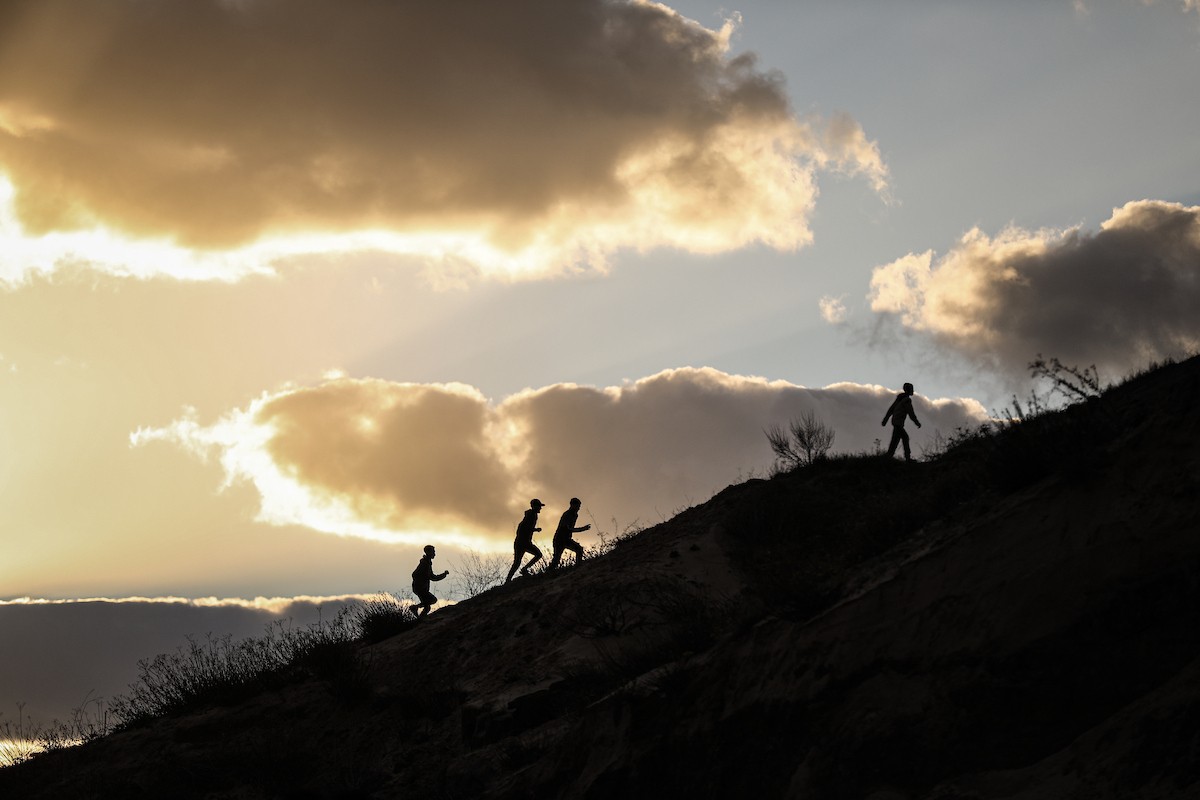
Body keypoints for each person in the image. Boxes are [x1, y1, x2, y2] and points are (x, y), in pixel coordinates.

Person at [505, 499, 546, 583]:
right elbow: (523, 527)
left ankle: (520, 572)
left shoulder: (533, 515)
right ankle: (510, 578)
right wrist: (535, 529)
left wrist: (533, 530)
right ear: (534, 506)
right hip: (522, 542)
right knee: (518, 562)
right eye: (539, 506)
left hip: (525, 542)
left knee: (518, 562)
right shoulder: (531, 515)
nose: (540, 508)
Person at [882, 382, 922, 462]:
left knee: (895, 441)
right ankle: (907, 458)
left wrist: (885, 419)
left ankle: (888, 457)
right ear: (909, 390)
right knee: (904, 438)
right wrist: (917, 422)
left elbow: (891, 409)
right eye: (911, 389)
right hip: (898, 424)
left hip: (896, 423)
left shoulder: (899, 399)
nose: (913, 390)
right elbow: (911, 413)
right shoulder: (906, 400)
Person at [548, 497, 591, 570]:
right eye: (577, 506)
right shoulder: (567, 514)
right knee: (556, 561)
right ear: (572, 505)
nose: (579, 508)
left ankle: (578, 567)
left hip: (567, 539)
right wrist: (582, 529)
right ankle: (548, 573)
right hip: (559, 540)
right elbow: (568, 529)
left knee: (579, 549)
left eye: (579, 506)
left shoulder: (575, 515)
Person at [412, 544, 449, 618]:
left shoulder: (427, 563)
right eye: (433, 552)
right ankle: (415, 609)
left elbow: (432, 576)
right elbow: (415, 574)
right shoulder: (424, 563)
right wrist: (421, 581)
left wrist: (443, 575)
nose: (434, 554)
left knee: (427, 607)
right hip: (420, 588)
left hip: (421, 588)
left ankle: (420, 619)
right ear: (428, 552)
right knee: (432, 600)